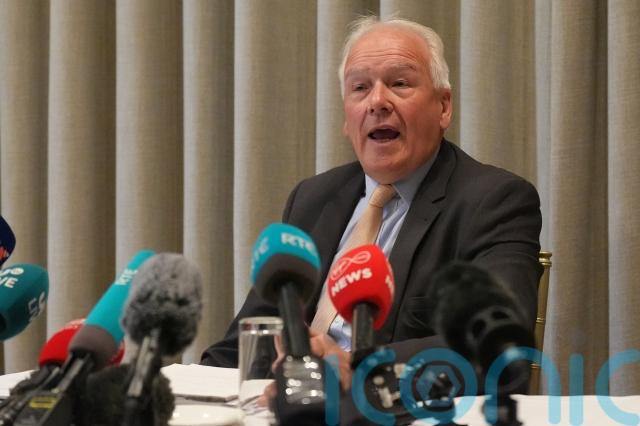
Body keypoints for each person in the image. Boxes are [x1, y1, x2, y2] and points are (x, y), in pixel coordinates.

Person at [201, 16, 542, 391]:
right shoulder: (313, 199)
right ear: (346, 118)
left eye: (399, 84)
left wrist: (355, 369)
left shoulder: (494, 201)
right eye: (360, 88)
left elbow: (496, 341)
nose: (377, 102)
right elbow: (245, 343)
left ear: (444, 106)